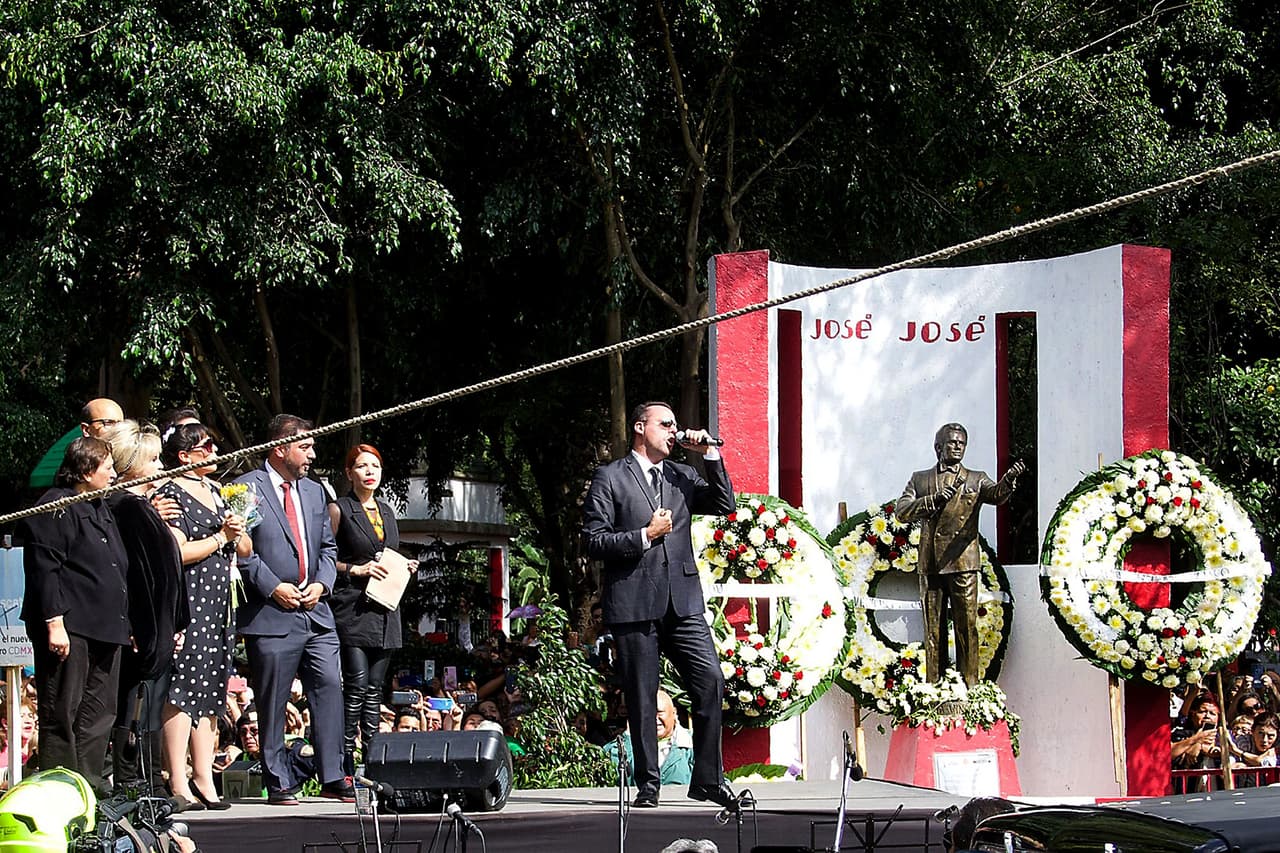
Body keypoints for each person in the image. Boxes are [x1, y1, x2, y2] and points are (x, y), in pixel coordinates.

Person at [583, 401, 737, 810]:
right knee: (642, 695)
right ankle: (648, 783)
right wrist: (644, 535)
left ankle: (707, 779)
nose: (674, 431)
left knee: (710, 681)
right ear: (639, 427)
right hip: (634, 602)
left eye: (675, 425)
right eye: (665, 424)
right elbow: (593, 541)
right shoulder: (610, 477)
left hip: (682, 601)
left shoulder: (681, 475)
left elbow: (725, 505)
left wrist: (710, 455)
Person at [234, 414, 350, 805]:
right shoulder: (244, 489)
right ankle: (278, 778)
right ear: (280, 448)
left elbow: (329, 550)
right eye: (305, 446)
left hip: (316, 611)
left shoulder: (316, 492)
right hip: (270, 612)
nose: (312, 454)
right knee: (272, 698)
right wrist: (273, 587)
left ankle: (333, 774)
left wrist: (322, 583)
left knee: (330, 688)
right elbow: (241, 551)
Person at [17, 437, 130, 794]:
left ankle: (90, 787)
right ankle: (61, 789)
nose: (113, 474)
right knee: (62, 710)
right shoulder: (55, 506)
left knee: (99, 714)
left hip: (105, 627)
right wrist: (54, 622)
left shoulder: (99, 506)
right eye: (107, 468)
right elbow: (44, 568)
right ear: (85, 471)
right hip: (70, 625)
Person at [155, 423, 244, 811]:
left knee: (213, 687)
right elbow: (178, 552)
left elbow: (243, 545)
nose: (213, 451)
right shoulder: (169, 493)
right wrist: (220, 538)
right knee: (182, 689)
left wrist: (239, 529)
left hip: (221, 601)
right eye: (205, 446)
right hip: (190, 598)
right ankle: (177, 778)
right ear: (184, 455)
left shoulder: (215, 491)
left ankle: (205, 777)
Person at [101, 421, 191, 797]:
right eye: (152, 459)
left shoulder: (143, 507)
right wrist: (144, 627)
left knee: (151, 706)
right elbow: (138, 576)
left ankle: (151, 782)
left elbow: (169, 572)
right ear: (133, 462)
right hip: (146, 628)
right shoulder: (128, 509)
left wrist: (180, 620)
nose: (159, 465)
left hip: (164, 624)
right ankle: (135, 783)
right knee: (136, 707)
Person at [896, 423, 1024, 686]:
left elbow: (996, 494)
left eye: (961, 443)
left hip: (963, 561)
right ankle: (934, 687)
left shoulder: (976, 478)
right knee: (934, 629)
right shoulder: (920, 479)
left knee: (967, 627)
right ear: (938, 447)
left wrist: (1008, 480)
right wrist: (932, 500)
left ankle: (970, 687)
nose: (957, 447)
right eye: (952, 442)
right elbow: (902, 510)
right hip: (931, 564)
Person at [328, 443, 417, 776]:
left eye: (375, 467)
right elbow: (324, 560)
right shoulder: (339, 509)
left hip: (385, 611)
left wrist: (402, 565)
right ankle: (345, 762)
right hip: (353, 610)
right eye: (362, 466)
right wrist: (356, 570)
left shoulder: (387, 511)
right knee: (356, 686)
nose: (369, 472)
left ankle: (374, 759)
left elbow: (386, 553)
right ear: (349, 473)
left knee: (375, 690)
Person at [602, 689, 695, 786]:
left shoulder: (692, 744)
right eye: (648, 713)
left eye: (659, 712)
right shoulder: (620, 746)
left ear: (674, 713)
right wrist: (630, 739)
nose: (654, 718)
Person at [1171, 693, 1223, 792]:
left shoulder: (1223, 735)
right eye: (1202, 712)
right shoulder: (1181, 734)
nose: (1207, 716)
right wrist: (1196, 739)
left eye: (1212, 713)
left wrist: (1199, 746)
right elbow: (1170, 753)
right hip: (1186, 791)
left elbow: (1225, 753)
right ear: (1193, 714)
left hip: (1218, 792)